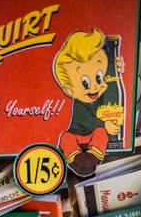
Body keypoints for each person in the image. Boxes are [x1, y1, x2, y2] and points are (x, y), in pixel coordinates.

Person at [53, 28, 123, 177]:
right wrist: (105, 124)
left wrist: (114, 68)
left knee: (101, 134)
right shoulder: (79, 103)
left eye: (99, 77)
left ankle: (93, 157)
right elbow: (86, 120)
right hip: (77, 137)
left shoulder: (102, 95)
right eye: (85, 83)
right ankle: (76, 159)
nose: (95, 86)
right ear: (70, 90)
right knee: (66, 137)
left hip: (94, 138)